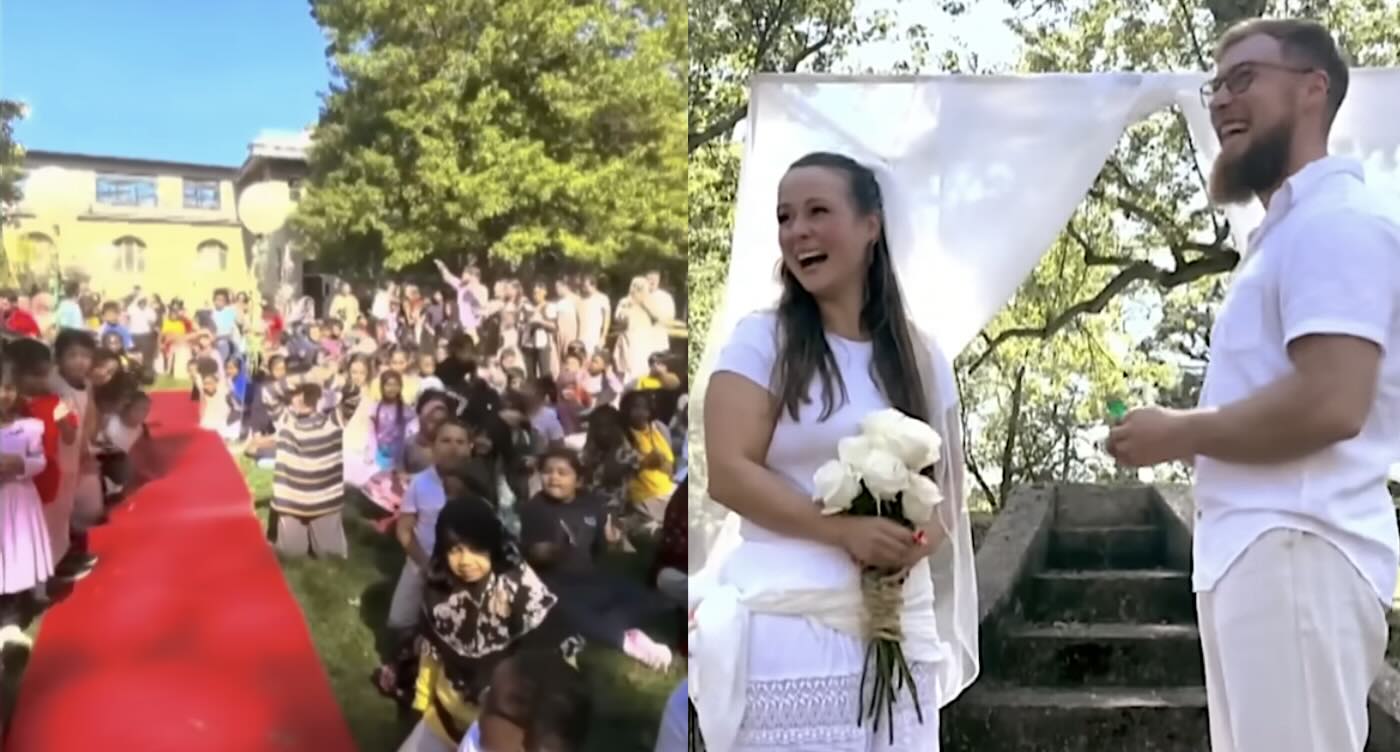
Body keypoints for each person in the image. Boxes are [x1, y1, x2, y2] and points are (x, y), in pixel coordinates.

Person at [1106, 19, 1397, 752]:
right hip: (1263, 555)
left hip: (1298, 547)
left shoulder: (1337, 221)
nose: (1220, 101)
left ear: (1312, 90)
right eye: (1215, 86)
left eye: (1244, 79)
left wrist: (1178, 432)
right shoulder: (1285, 234)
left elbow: (1332, 401)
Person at [691, 152, 978, 750]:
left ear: (871, 225)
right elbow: (730, 471)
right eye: (785, 217)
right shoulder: (761, 341)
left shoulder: (921, 356)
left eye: (817, 211)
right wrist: (843, 531)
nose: (797, 231)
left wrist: (914, 544)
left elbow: (950, 480)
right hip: (791, 624)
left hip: (897, 623)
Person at [398, 497, 583, 752]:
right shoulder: (438, 588)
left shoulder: (521, 590)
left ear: (493, 545)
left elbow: (555, 671)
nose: (465, 561)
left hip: (498, 734)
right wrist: (420, 705)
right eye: (455, 550)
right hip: (444, 717)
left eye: (476, 549)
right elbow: (430, 656)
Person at [0, 358, 53, 643]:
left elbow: (39, 461)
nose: (3, 395)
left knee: (14, 553)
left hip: (17, 501)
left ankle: (11, 615)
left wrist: (20, 464)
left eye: (8, 387)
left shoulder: (28, 427)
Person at [269, 382, 348, 558]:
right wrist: (304, 378)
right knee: (291, 555)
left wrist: (327, 377)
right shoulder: (285, 420)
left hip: (325, 502)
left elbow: (354, 394)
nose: (302, 399)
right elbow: (268, 393)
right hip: (291, 502)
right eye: (297, 394)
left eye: (307, 394)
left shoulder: (334, 420)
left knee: (331, 555)